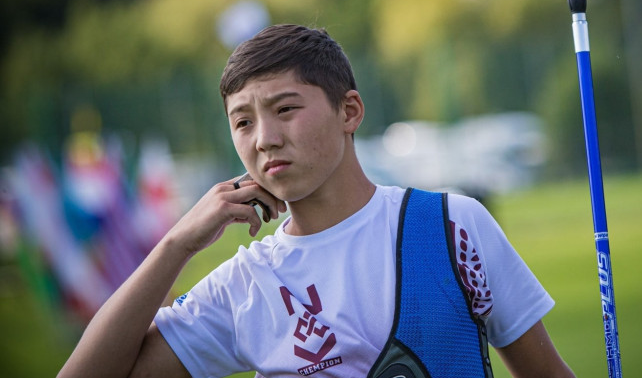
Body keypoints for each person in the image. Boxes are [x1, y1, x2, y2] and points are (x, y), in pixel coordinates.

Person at [58, 24, 575, 378]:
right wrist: (175, 245)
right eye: (243, 121)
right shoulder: (245, 285)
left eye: (285, 108)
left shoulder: (453, 226)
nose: (264, 138)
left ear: (349, 111)